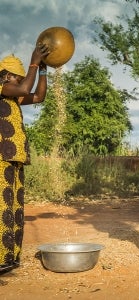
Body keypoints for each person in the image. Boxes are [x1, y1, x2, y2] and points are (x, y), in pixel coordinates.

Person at [0, 44, 50, 273]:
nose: (20, 82)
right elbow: (23, 88)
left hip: (14, 157)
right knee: (2, 206)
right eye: (18, 78)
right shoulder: (2, 88)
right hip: (2, 156)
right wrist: (33, 62)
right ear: (7, 76)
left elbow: (38, 96)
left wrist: (43, 71)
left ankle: (10, 257)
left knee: (14, 206)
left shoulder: (13, 95)